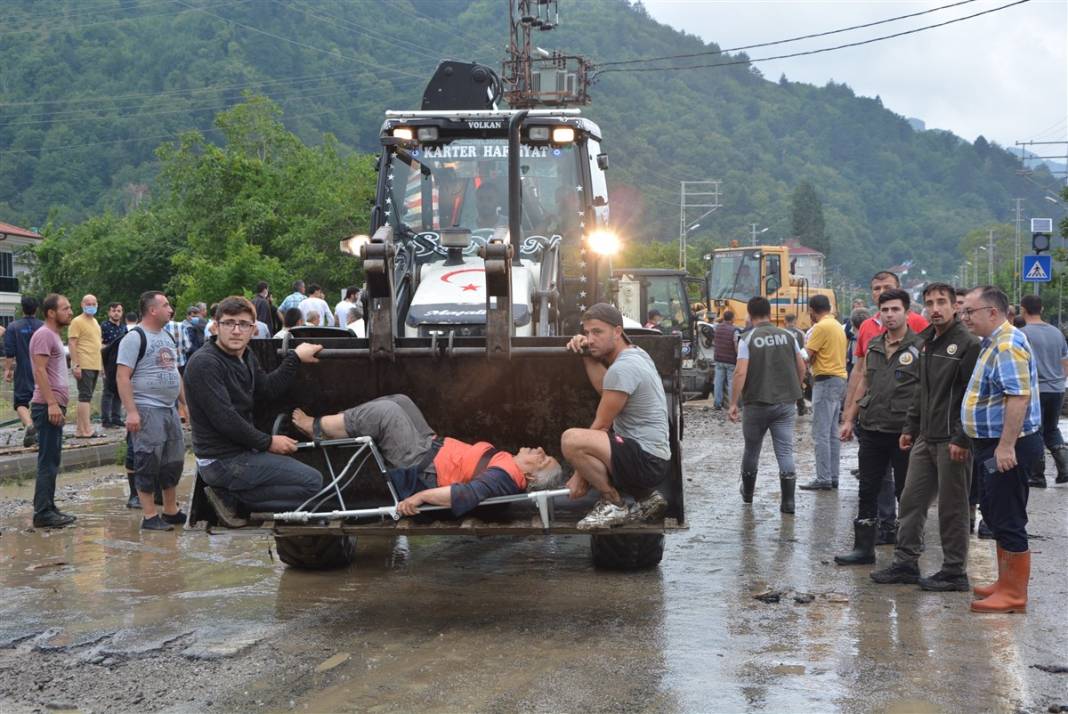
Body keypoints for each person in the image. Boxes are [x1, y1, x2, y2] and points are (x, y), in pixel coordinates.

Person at [870, 283, 980, 590]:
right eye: (929, 302)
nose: (935, 308)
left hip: (952, 441)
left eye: (941, 302)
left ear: (954, 306)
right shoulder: (926, 342)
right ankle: (906, 563)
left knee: (952, 507)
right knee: (910, 500)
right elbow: (920, 390)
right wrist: (909, 427)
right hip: (925, 437)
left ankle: (955, 571)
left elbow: (973, 396)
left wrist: (962, 438)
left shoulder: (968, 344)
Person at [288, 395, 564, 517]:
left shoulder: (505, 479)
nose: (540, 450)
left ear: (528, 476)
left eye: (543, 459)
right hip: (429, 448)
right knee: (400, 401)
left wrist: (419, 498)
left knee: (387, 413)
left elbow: (464, 494)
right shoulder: (508, 469)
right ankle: (343, 423)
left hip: (418, 470)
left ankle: (318, 428)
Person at [184, 296, 324, 514]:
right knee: (312, 483)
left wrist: (294, 357)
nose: (236, 330)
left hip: (240, 453)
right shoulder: (205, 363)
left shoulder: (245, 355)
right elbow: (225, 419)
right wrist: (268, 442)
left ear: (253, 330)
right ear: (215, 326)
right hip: (221, 460)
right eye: (229, 323)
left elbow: (267, 389)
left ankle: (240, 498)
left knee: (314, 481)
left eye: (244, 324)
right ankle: (234, 501)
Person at [959, 285, 1042, 613]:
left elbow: (1018, 397)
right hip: (993, 443)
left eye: (970, 312)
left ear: (992, 312)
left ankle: (1014, 593)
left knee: (1007, 517)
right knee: (995, 511)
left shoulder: (1006, 345)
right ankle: (1005, 582)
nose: (964, 317)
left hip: (1007, 445)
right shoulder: (994, 341)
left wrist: (1006, 447)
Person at [561, 303, 671, 529]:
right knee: (596, 441)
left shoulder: (623, 368)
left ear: (618, 331)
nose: (590, 339)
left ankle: (614, 503)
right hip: (653, 457)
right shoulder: (636, 354)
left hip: (646, 460)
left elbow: (601, 424)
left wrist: (580, 474)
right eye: (587, 332)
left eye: (598, 332)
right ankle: (646, 497)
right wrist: (586, 354)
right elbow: (607, 389)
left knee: (571, 440)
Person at [835, 288, 923, 566]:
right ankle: (863, 549)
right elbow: (863, 383)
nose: (889, 315)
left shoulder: (920, 347)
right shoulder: (873, 345)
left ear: (906, 312)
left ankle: (908, 554)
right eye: (884, 310)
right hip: (872, 427)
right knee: (868, 489)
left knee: (906, 493)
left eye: (895, 309)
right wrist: (849, 418)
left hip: (904, 431)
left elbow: (927, 390)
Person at [116, 291, 189, 531]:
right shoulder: (134, 338)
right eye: (166, 305)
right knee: (147, 459)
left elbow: (174, 372)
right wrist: (132, 412)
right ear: (152, 310)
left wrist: (184, 403)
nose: (171, 309)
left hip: (168, 409)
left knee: (173, 460)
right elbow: (122, 376)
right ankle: (149, 516)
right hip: (147, 409)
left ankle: (170, 510)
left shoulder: (167, 336)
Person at [728, 297, 807, 514]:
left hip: (756, 404)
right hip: (785, 404)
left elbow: (740, 372)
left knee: (752, 449)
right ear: (770, 313)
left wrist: (733, 403)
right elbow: (802, 366)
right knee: (784, 450)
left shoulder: (748, 338)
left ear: (749, 315)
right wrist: (794, 388)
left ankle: (749, 494)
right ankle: (788, 502)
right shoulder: (789, 336)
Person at [29, 294, 76, 528]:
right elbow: (39, 371)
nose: (70, 312)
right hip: (47, 405)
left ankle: (48, 506)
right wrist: (51, 403)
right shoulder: (44, 335)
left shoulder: (53, 335)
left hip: (54, 404)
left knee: (52, 458)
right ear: (50, 312)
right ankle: (43, 513)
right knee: (48, 460)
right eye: (65, 308)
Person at [1018, 294, 1068, 486]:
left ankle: (1037, 476)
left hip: (1036, 389)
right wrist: (1058, 380)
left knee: (1035, 431)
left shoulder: (1022, 334)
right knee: (1052, 428)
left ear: (1023, 309)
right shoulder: (1056, 333)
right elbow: (1065, 362)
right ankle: (1064, 469)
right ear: (1042, 309)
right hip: (1057, 389)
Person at [800, 294, 847, 490]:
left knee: (820, 433)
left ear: (812, 310)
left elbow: (806, 355)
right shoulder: (836, 325)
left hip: (825, 381)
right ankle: (832, 476)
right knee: (831, 433)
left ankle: (823, 478)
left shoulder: (820, 327)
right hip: (839, 380)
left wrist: (793, 351)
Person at [4, 296, 44, 447]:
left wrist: (7, 370)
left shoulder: (13, 327)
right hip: (42, 368)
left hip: (23, 368)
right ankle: (39, 431)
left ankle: (29, 425)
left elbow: (10, 353)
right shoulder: (43, 326)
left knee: (21, 401)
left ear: (22, 309)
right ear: (37, 309)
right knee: (40, 399)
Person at [67, 293, 103, 438]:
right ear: (82, 305)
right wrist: (76, 365)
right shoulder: (77, 321)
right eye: (88, 303)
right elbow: (72, 343)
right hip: (84, 363)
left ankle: (80, 429)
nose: (91, 306)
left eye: (93, 303)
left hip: (95, 363)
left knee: (86, 397)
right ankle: (86, 429)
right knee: (85, 397)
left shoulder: (95, 322)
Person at [99, 302, 127, 428]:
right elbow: (100, 346)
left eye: (119, 311)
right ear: (109, 312)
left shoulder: (123, 327)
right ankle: (106, 419)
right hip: (108, 361)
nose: (116, 313)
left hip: (120, 361)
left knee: (119, 390)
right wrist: (102, 366)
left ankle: (116, 417)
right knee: (108, 391)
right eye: (114, 310)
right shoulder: (103, 326)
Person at [712, 310, 740, 410]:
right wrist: (738, 357)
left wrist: (720, 318)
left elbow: (714, 322)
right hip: (730, 360)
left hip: (719, 359)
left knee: (718, 382)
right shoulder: (734, 330)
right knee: (731, 383)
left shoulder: (717, 328)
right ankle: (732, 404)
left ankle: (717, 403)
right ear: (732, 318)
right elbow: (736, 345)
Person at [783, 313, 808, 415]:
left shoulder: (782, 333)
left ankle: (785, 406)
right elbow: (804, 348)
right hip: (798, 362)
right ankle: (801, 407)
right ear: (795, 321)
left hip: (785, 363)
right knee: (799, 383)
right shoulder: (801, 333)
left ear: (785, 321)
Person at [165, 305, 190, 375]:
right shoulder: (181, 325)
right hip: (180, 363)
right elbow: (187, 346)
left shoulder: (160, 326)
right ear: (174, 314)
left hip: (165, 365)